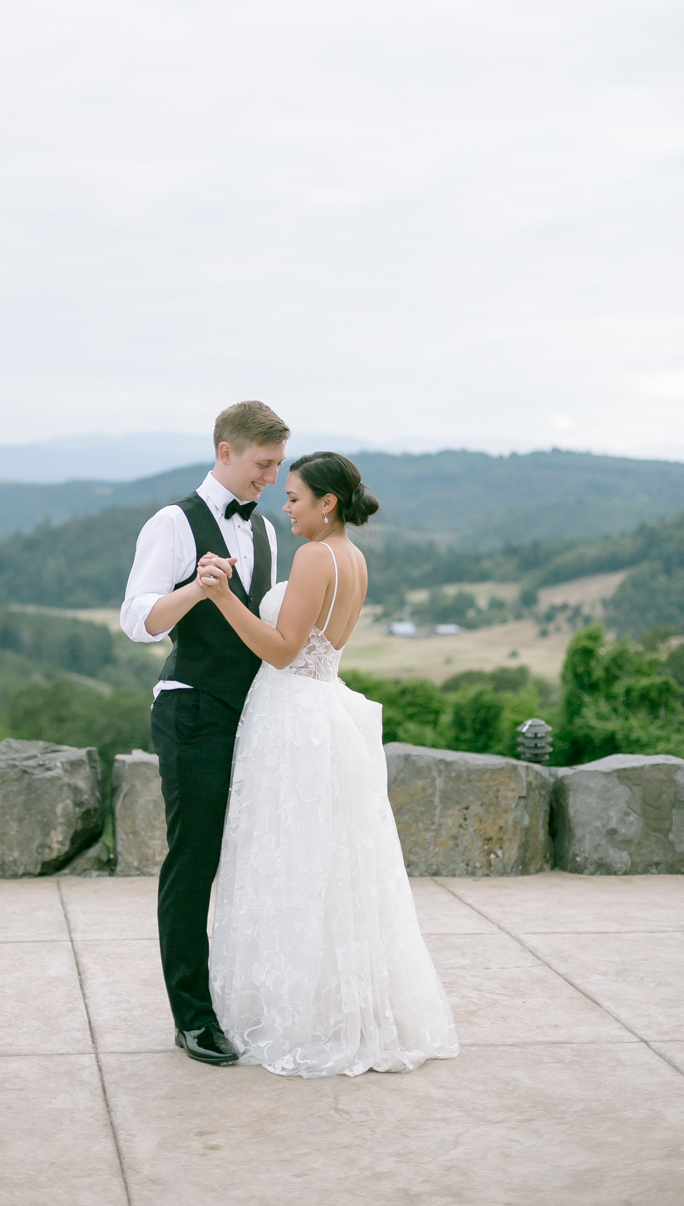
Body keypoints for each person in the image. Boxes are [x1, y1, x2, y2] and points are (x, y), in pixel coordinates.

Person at [196, 452, 459, 1078]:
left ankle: (299, 1015)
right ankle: (334, 1007)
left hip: (292, 716)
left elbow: (285, 651)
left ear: (327, 503)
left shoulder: (314, 556)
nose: (284, 507)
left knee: (290, 861)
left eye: (293, 498)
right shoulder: (353, 557)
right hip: (325, 711)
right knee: (328, 867)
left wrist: (224, 597)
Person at [120, 399, 290, 1066]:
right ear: (226, 452)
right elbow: (137, 620)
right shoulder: (172, 523)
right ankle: (191, 1018)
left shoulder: (266, 531)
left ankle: (242, 996)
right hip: (191, 710)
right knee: (194, 862)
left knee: (248, 861)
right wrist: (194, 589)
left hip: (251, 717)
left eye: (277, 467)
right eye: (262, 464)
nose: (270, 478)